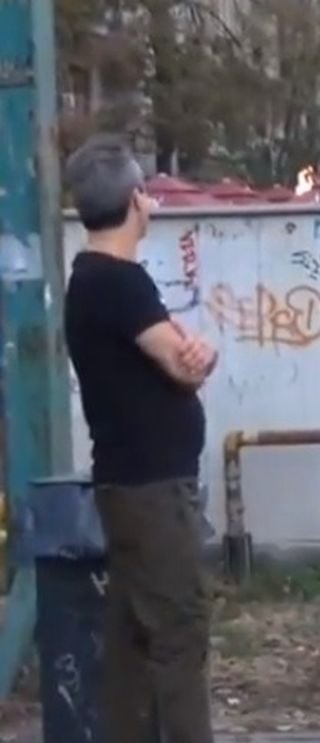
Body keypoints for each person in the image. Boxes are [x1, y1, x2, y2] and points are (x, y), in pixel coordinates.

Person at [64, 134, 218, 743]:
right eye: (147, 193)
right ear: (136, 199)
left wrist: (187, 352)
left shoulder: (99, 278)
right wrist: (197, 357)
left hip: (129, 483)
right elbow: (183, 362)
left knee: (132, 638)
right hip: (152, 487)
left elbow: (172, 349)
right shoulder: (116, 281)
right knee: (180, 630)